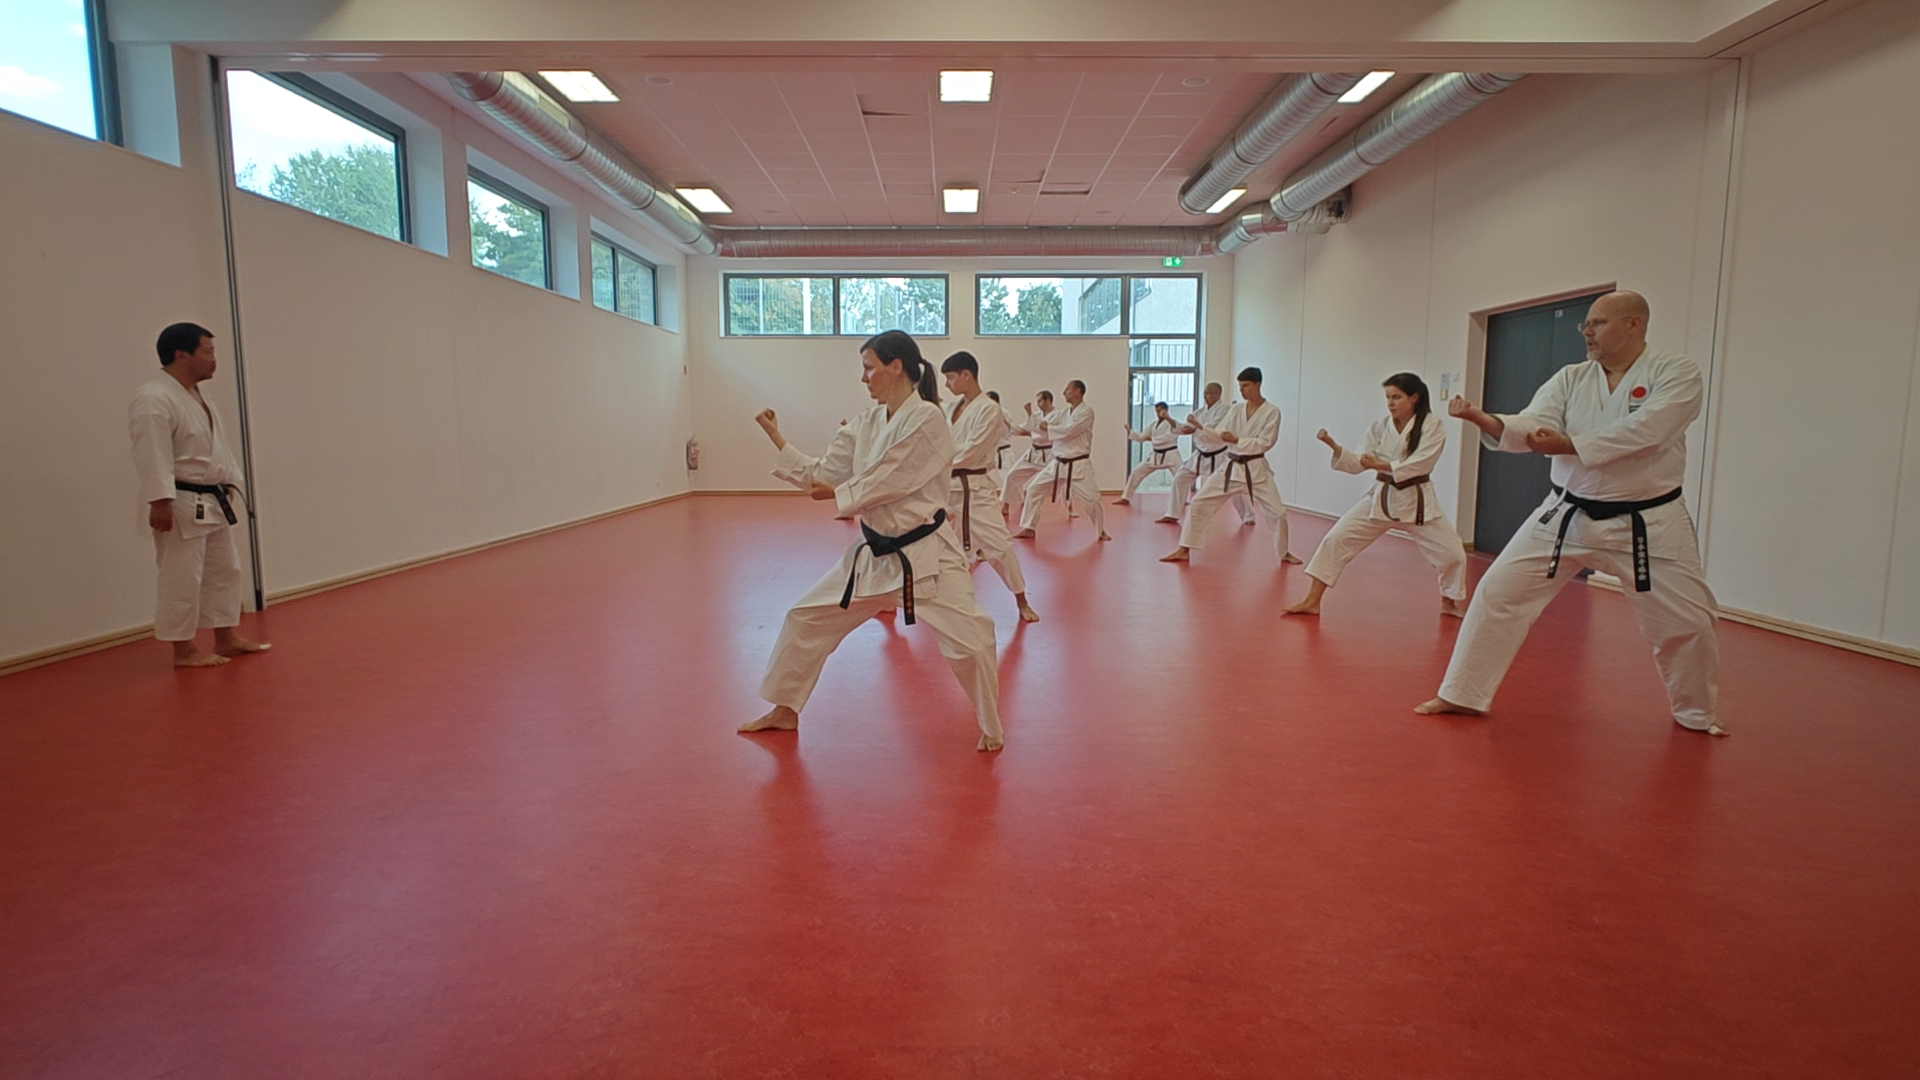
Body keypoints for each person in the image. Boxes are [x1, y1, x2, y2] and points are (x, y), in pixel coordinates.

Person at [1416, 291, 1724, 737]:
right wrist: (1489, 421)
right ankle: (1461, 694)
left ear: (1634, 324)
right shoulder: (1572, 377)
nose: (1587, 332)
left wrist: (1571, 446)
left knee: (1689, 623)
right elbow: (1536, 422)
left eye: (1598, 323)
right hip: (1566, 513)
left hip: (1648, 522)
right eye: (1586, 324)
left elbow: (1651, 429)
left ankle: (1697, 714)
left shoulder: (1675, 372)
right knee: (1497, 595)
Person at [743, 330, 1005, 751]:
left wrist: (840, 494)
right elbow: (824, 471)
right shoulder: (867, 422)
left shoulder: (928, 419)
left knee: (972, 644)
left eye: (869, 368)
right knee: (805, 617)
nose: (864, 378)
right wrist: (778, 438)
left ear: (895, 366)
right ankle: (785, 710)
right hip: (874, 553)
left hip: (926, 556)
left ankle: (992, 728)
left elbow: (892, 476)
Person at [129, 323, 270, 668]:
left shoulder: (194, 394)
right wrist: (159, 500)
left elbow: (215, 449)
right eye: (207, 351)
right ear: (181, 355)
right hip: (178, 502)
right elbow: (152, 453)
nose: (213, 360)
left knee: (225, 570)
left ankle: (226, 637)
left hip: (211, 500)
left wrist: (231, 482)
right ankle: (183, 650)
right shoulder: (154, 398)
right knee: (181, 576)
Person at [1284, 373, 1469, 617]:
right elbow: (1361, 460)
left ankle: (1449, 601)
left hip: (1418, 502)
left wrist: (1380, 465)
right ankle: (1312, 600)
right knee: (1335, 539)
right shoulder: (1381, 427)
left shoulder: (1431, 426)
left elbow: (1421, 463)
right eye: (1388, 398)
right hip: (1381, 499)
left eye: (1396, 397)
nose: (1390, 403)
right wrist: (1335, 447)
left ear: (1414, 398)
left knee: (1453, 552)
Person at [1160, 367, 1299, 564]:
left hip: (1256, 469)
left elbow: (1266, 441)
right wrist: (1206, 429)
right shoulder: (1236, 409)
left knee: (1278, 513)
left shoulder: (1272, 412)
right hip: (1231, 466)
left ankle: (1284, 552)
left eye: (1246, 386)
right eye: (1240, 386)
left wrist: (1237, 439)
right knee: (1199, 502)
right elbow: (1221, 432)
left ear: (1258, 385)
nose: (1242, 390)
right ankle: (1184, 549)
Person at [941, 352, 1039, 623]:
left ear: (966, 375)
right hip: (947, 489)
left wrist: (938, 463)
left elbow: (971, 451)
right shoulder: (951, 409)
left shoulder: (989, 409)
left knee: (1000, 547)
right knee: (930, 547)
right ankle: (895, 600)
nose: (947, 384)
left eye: (950, 378)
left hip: (976, 488)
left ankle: (1021, 600)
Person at [1014, 380, 1110, 542]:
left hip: (1079, 464)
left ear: (1077, 391)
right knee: (1033, 489)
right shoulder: (1064, 413)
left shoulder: (1086, 412)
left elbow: (1069, 431)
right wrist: (1032, 417)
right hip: (1058, 463)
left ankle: (1100, 531)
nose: (1064, 392)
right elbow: (1042, 426)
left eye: (1067, 389)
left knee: (1093, 501)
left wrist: (1048, 427)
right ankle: (1029, 528)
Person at [1159, 382, 1253, 527]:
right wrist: (1170, 419)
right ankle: (1172, 514)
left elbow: (1212, 430)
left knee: (1233, 485)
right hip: (1200, 454)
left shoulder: (1225, 410)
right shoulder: (1199, 412)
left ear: (1218, 394)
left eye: (1209, 393)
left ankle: (1248, 516)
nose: (1206, 396)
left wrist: (1195, 424)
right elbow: (1186, 429)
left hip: (1219, 455)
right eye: (1204, 393)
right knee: (1180, 477)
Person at [1000, 389, 1056, 522]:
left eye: (1040, 401)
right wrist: (1007, 424)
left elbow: (1042, 431)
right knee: (1012, 476)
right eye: (1037, 401)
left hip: (1049, 455)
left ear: (1048, 400)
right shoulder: (1036, 415)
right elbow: (1024, 430)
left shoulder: (1057, 416)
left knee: (1063, 481)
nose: (1038, 404)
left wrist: (1029, 413)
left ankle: (1071, 508)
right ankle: (1005, 506)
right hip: (1033, 454)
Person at [1113, 402, 1182, 506]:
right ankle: (1125, 498)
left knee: (1182, 477)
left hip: (1171, 454)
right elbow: (1142, 437)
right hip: (1155, 455)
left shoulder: (1172, 424)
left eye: (1161, 410)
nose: (1159, 413)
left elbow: (1168, 438)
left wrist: (1151, 439)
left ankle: (1183, 499)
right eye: (1157, 411)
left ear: (1166, 410)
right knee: (1136, 472)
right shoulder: (1154, 425)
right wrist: (1130, 432)